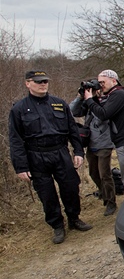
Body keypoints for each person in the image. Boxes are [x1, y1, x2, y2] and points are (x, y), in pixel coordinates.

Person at [9, 70, 92, 244]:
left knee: (70, 187)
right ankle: (57, 226)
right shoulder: (19, 109)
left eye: (45, 81)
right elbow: (16, 140)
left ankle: (74, 219)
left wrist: (78, 152)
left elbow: (73, 130)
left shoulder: (59, 104)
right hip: (36, 156)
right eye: (38, 81)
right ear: (27, 83)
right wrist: (21, 167)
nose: (43, 84)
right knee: (47, 194)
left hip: (60, 152)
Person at [82, 69, 124, 184]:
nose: (100, 86)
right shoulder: (117, 94)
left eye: (103, 82)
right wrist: (93, 98)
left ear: (114, 81)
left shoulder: (118, 95)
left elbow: (103, 114)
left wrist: (89, 100)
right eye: (99, 83)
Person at [70, 85, 118, 217]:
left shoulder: (106, 101)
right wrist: (80, 97)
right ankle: (104, 193)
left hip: (105, 144)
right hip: (91, 143)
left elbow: (103, 116)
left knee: (105, 174)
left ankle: (111, 202)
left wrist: (91, 100)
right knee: (93, 173)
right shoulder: (87, 104)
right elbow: (72, 111)